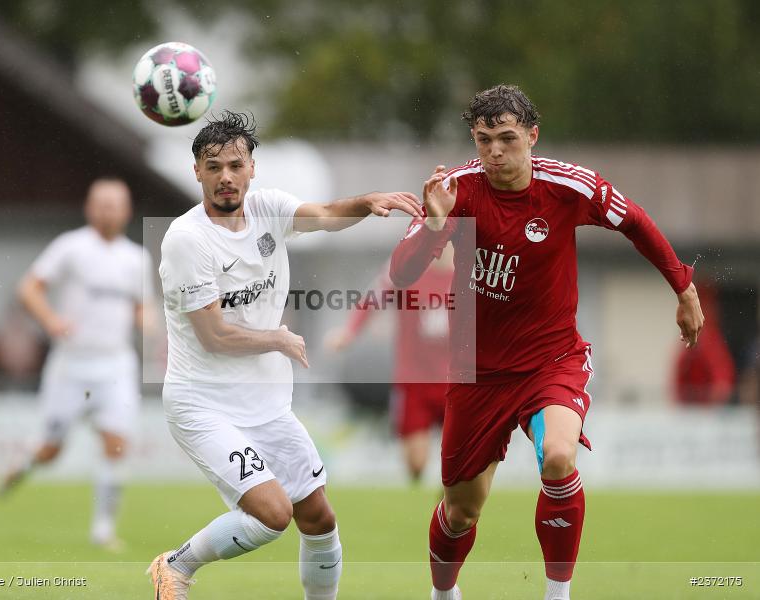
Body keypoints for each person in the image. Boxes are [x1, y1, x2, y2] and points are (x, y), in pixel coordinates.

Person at [389, 85, 705, 600]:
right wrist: (433, 224)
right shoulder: (455, 191)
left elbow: (636, 222)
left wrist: (683, 287)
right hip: (478, 374)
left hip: (551, 362)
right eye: (484, 139)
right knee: (459, 512)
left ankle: (557, 595)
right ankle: (443, 595)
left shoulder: (569, 187)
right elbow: (402, 274)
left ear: (532, 137)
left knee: (558, 457)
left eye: (507, 139)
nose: (494, 151)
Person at [150, 111, 421, 599]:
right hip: (203, 403)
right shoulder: (187, 240)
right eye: (213, 167)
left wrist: (367, 201)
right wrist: (276, 338)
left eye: (235, 164)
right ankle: (176, 566)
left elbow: (324, 215)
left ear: (253, 167)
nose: (226, 176)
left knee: (318, 517)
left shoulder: (270, 209)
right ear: (197, 172)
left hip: (266, 403)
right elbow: (212, 335)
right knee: (273, 514)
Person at [0, 177, 153, 551]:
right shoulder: (71, 247)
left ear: (127, 210)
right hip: (71, 365)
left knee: (116, 443)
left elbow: (141, 307)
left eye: (115, 204)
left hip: (116, 365)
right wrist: (50, 320)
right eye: (102, 204)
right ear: (89, 207)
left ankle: (103, 529)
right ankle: (27, 460)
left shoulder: (137, 258)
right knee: (52, 451)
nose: (108, 211)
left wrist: (151, 324)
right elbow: (29, 287)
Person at [325, 245, 453, 483]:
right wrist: (348, 332)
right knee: (416, 465)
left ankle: (451, 510)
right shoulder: (406, 267)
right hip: (413, 379)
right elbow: (371, 300)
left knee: (460, 463)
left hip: (456, 381)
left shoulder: (473, 269)